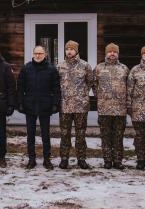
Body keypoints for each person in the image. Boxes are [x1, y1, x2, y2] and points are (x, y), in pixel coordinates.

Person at [17, 45, 60, 170]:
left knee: (45, 134)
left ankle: (47, 159)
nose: (38, 55)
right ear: (33, 54)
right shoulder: (26, 68)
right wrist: (20, 103)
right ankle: (32, 160)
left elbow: (56, 88)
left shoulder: (51, 69)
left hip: (45, 105)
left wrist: (55, 104)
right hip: (29, 105)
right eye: (36, 53)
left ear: (45, 54)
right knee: (30, 135)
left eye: (40, 53)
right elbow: (20, 87)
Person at [57, 40, 93, 170]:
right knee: (64, 134)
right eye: (67, 49)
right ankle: (64, 159)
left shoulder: (85, 66)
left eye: (72, 49)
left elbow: (90, 82)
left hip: (80, 107)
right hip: (65, 106)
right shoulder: (60, 66)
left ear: (76, 50)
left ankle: (81, 159)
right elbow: (56, 84)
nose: (69, 51)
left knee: (80, 134)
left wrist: (81, 94)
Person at [93, 43, 129, 170]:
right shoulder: (99, 68)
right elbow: (94, 85)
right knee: (106, 137)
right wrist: (101, 97)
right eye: (109, 51)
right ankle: (107, 160)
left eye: (114, 51)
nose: (112, 53)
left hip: (120, 109)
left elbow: (128, 87)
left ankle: (118, 161)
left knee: (118, 137)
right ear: (106, 53)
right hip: (104, 109)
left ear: (117, 54)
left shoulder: (124, 68)